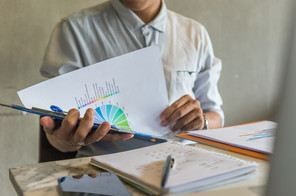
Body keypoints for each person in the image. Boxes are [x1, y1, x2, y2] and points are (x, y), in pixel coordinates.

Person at [39, 0, 224, 157]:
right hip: (104, 174)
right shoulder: (74, 30)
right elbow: (57, 133)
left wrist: (203, 122)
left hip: (183, 167)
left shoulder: (195, 34)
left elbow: (215, 113)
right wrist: (69, 140)